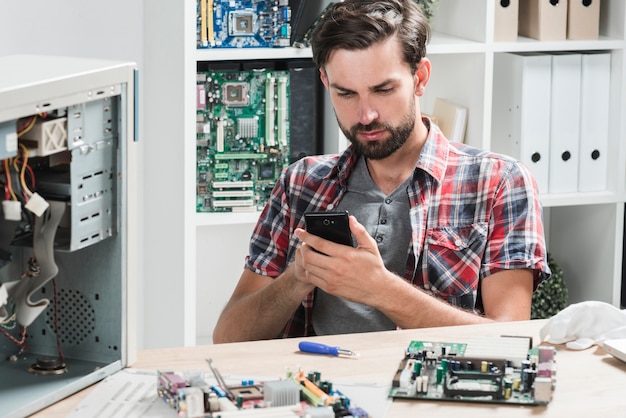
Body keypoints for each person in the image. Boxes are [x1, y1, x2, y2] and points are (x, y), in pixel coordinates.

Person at [212, 0, 550, 343]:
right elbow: (228, 338)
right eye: (346, 94)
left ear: (420, 78)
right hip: (317, 389)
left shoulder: (499, 183)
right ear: (326, 84)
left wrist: (381, 289)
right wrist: (299, 275)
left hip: (426, 392)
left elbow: (511, 341)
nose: (365, 115)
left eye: (383, 90)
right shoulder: (301, 183)